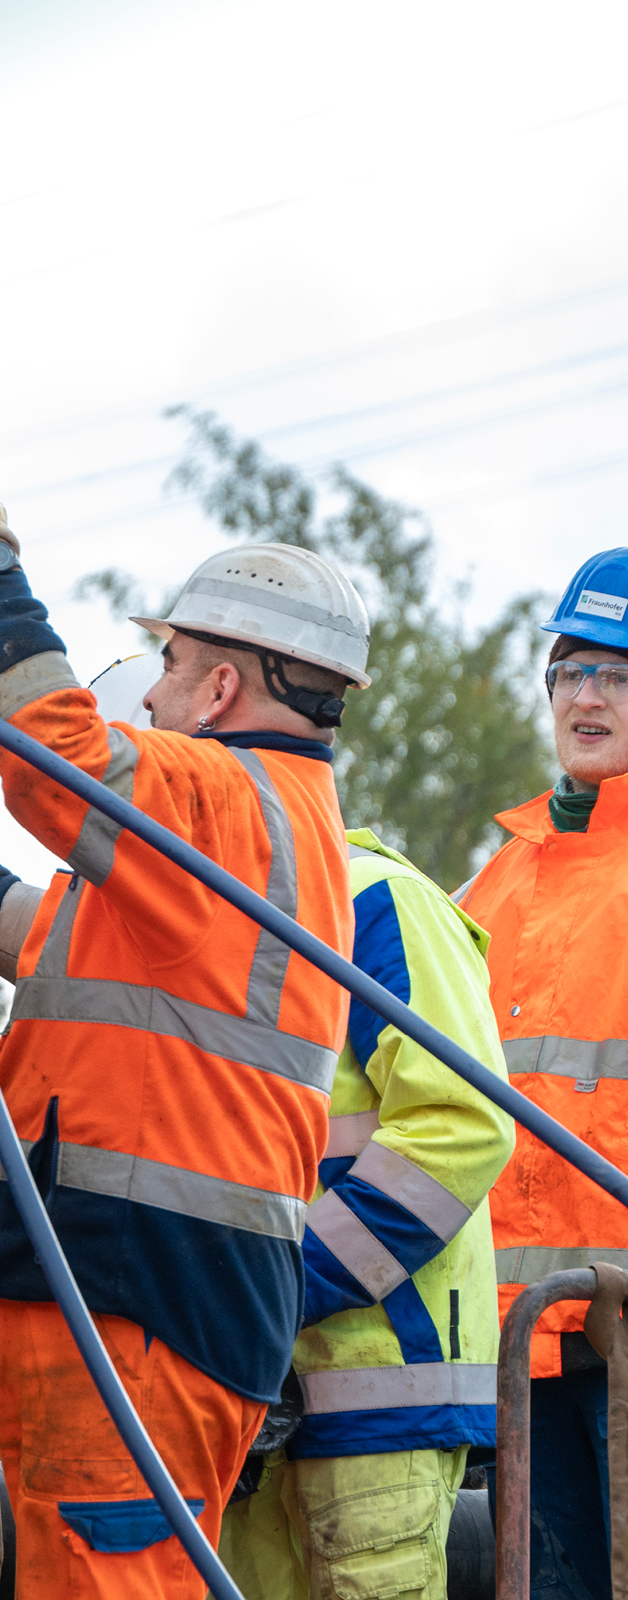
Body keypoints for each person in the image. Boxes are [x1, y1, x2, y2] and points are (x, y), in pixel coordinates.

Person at [0, 452, 369, 1597]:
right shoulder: (254, 829)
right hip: (142, 1297)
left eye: (172, 666)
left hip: (140, 1301)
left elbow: (53, 756)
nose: (149, 694)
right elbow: (56, 940)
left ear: (222, 689)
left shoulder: (225, 800)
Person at [218, 827, 513, 1600]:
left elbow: (459, 1128)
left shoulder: (373, 899)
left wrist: (274, 1288)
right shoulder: (198, 906)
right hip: (238, 1392)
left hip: (379, 1391)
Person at [457, 548, 628, 1600]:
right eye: (571, 670)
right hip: (525, 1341)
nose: (588, 695)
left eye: (619, 673)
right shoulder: (492, 883)